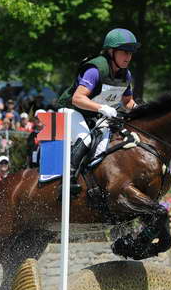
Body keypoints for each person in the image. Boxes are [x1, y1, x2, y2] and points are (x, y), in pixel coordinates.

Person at [57, 28, 139, 196]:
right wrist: (102, 108)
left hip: (95, 116)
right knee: (85, 140)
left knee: (105, 147)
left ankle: (94, 184)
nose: (128, 57)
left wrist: (144, 112)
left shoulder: (126, 75)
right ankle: (67, 183)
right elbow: (78, 98)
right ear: (111, 51)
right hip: (72, 111)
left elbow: (127, 102)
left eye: (131, 53)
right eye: (124, 52)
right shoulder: (95, 70)